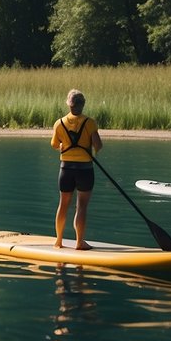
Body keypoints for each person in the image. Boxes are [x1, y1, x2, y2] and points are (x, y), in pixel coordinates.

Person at [50, 89, 103, 250]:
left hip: (65, 169)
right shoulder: (90, 123)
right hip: (84, 170)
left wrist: (62, 146)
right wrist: (90, 149)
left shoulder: (59, 123)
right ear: (83, 104)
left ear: (68, 104)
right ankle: (79, 242)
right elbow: (98, 145)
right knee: (81, 206)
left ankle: (58, 241)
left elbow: (54, 144)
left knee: (63, 204)